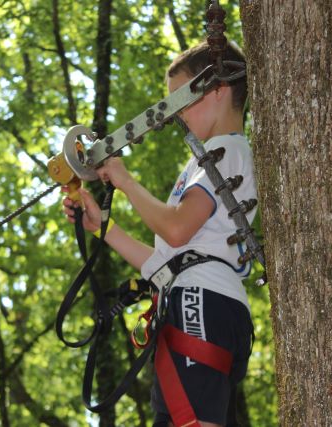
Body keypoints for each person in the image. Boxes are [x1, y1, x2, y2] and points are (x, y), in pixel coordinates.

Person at [62, 41, 255, 427]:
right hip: (195, 299)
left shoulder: (227, 152)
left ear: (217, 90)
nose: (177, 115)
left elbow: (177, 228)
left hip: (200, 302)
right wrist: (103, 227)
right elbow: (166, 263)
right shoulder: (210, 159)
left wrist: (126, 181)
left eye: (181, 100)